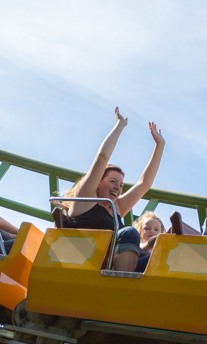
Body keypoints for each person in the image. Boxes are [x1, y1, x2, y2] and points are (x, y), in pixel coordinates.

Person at [60, 107, 166, 272]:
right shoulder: (85, 199)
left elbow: (144, 183)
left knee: (160, 258)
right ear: (98, 182)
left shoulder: (116, 207)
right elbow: (101, 158)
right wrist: (120, 125)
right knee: (129, 232)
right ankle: (122, 284)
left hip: (112, 263)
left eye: (121, 185)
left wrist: (160, 146)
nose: (118, 188)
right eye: (113, 182)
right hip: (89, 263)